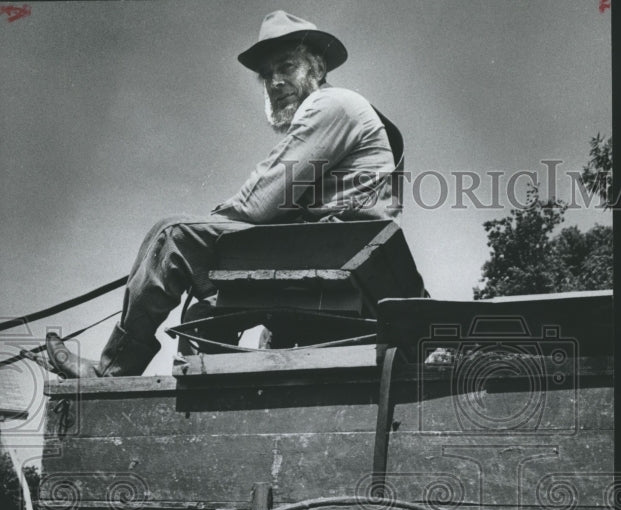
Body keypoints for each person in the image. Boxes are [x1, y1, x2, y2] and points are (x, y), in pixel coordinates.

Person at [46, 10, 404, 378]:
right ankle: (209, 387)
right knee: (204, 306)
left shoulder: (330, 105)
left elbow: (260, 203)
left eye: (287, 66)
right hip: (337, 254)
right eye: (267, 75)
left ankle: (113, 370)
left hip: (333, 255)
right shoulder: (342, 109)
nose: (276, 81)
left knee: (171, 235)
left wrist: (198, 238)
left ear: (315, 66)